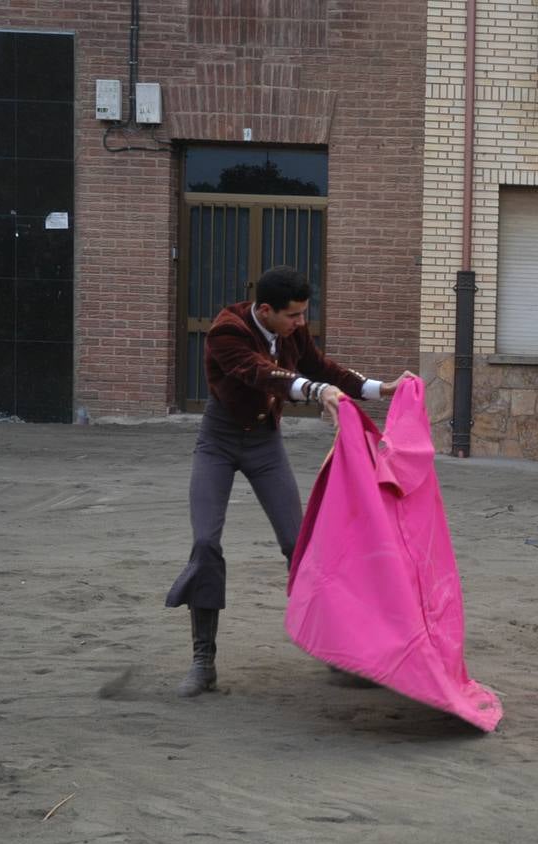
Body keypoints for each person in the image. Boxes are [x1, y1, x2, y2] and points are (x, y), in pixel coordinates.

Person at [165, 265, 413, 697]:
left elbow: (323, 367)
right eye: (294, 316)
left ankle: (337, 650)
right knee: (205, 542)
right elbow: (262, 373)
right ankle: (203, 660)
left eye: (303, 315)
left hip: (264, 445)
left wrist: (379, 389)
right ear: (266, 310)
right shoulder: (226, 331)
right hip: (218, 444)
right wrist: (317, 393)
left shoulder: (293, 331)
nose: (302, 324)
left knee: (299, 544)